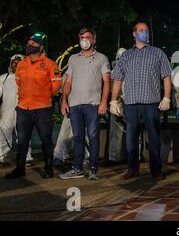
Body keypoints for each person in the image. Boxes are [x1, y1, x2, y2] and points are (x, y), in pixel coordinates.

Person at [110, 22, 172, 181]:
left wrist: (166, 96)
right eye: (141, 30)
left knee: (153, 138)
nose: (144, 32)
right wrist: (113, 100)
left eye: (146, 30)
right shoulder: (126, 55)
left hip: (151, 103)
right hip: (131, 103)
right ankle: (132, 169)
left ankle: (156, 170)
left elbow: (166, 76)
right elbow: (117, 78)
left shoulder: (157, 53)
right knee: (131, 138)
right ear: (134, 34)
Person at [6, 33, 61, 179]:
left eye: (33, 43)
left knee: (46, 139)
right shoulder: (22, 64)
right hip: (23, 108)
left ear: (41, 47)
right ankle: (20, 168)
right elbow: (18, 81)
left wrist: (44, 95)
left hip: (42, 108)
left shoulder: (49, 64)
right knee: (22, 141)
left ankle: (48, 168)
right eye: (28, 43)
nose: (30, 46)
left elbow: (56, 83)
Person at [59, 28, 111, 180]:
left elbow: (107, 82)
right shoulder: (73, 59)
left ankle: (93, 169)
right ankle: (77, 168)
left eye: (88, 37)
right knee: (77, 137)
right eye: (82, 37)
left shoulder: (102, 58)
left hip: (93, 104)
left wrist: (103, 102)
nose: (84, 40)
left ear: (94, 40)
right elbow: (68, 82)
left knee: (93, 136)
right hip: (74, 104)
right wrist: (64, 100)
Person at [0, 54, 25, 164]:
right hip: (6, 112)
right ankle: (2, 156)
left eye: (18, 62)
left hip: (23, 111)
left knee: (24, 135)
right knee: (4, 133)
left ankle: (26, 157)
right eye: (14, 62)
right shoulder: (3, 78)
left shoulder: (28, 77)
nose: (16, 64)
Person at [108, 47, 127, 163]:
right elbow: (112, 89)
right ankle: (113, 156)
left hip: (129, 103)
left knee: (131, 131)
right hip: (117, 103)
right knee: (116, 131)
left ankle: (132, 155)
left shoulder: (131, 69)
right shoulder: (113, 72)